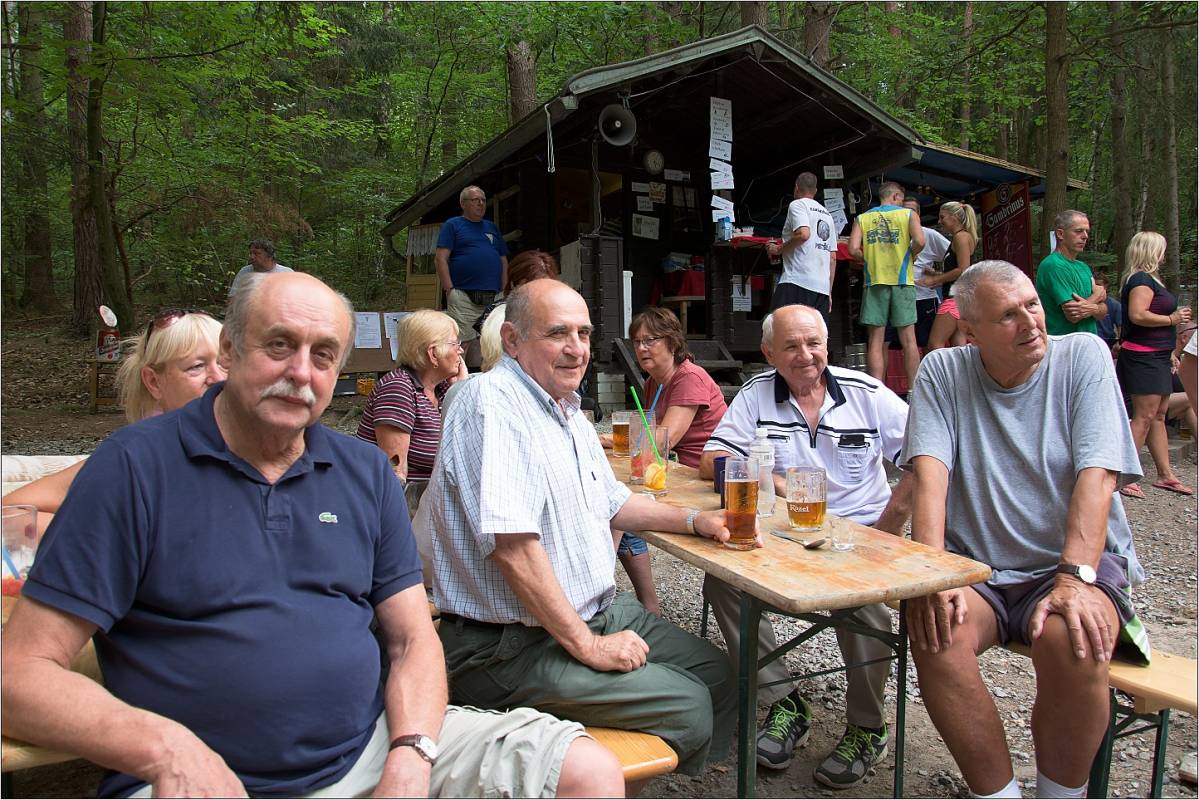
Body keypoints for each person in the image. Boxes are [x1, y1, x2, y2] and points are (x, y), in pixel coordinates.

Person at [1, 272, 622, 799]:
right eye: (279, 345)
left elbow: (413, 641)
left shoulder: (363, 473)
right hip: (198, 773)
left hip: (371, 745)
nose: (300, 372)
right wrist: (164, 749)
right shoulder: (133, 468)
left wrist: (412, 753)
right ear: (230, 349)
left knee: (589, 774)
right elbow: (17, 675)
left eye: (323, 355)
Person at [425, 278, 738, 781]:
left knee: (719, 677)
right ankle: (590, 777)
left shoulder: (567, 411)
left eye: (584, 333)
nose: (577, 349)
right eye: (558, 333)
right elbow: (513, 549)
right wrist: (589, 648)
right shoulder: (489, 401)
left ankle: (628, 771)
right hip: (506, 646)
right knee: (689, 704)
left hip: (597, 612)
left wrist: (694, 520)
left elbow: (614, 503)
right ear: (512, 340)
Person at [900, 260, 1147, 800]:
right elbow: (929, 477)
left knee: (1072, 637)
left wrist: (1073, 579)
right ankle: (998, 795)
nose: (1031, 321)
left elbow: (1099, 475)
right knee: (937, 632)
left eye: (1032, 305)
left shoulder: (1083, 355)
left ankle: (1061, 795)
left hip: (1069, 562)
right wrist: (934, 576)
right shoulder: (943, 371)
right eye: (1008, 316)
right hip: (979, 568)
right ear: (971, 333)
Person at [698, 303, 914, 789]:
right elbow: (713, 458)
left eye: (814, 343)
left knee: (865, 608)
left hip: (857, 536)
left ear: (827, 346)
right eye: (791, 346)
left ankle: (867, 727)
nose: (805, 355)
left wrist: (888, 528)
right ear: (769, 352)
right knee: (724, 582)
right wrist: (775, 481)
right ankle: (784, 701)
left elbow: (926, 458)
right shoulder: (756, 393)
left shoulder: (866, 393)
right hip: (782, 535)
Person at [2, 310, 225, 536]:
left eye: (226, 363)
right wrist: (108, 541)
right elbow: (10, 512)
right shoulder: (135, 457)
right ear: (154, 382)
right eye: (196, 366)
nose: (218, 377)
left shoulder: (244, 447)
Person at [600, 306, 729, 616]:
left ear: (672, 342)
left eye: (651, 340)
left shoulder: (689, 378)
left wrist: (608, 439)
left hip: (704, 480)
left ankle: (599, 592)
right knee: (618, 505)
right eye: (637, 341)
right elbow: (647, 439)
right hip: (674, 473)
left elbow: (660, 440)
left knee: (617, 507)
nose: (642, 348)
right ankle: (642, 604)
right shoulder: (653, 383)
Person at [1115, 232, 1193, 498]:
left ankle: (1165, 474)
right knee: (1144, 416)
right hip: (1142, 356)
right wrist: (1172, 319)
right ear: (1150, 251)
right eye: (1160, 250)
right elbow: (1138, 315)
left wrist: (1170, 350)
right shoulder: (1140, 279)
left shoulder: (1151, 279)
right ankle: (1125, 475)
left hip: (1158, 355)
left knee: (1159, 414)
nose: (1163, 255)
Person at [356, 310, 467, 485]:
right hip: (408, 499)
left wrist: (461, 390)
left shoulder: (443, 389)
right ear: (433, 353)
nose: (461, 350)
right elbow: (395, 474)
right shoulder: (398, 389)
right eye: (455, 344)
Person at [847, 181, 925, 390]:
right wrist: (910, 255)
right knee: (909, 340)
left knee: (876, 340)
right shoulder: (908, 215)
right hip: (902, 281)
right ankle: (914, 392)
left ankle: (877, 393)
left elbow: (852, 249)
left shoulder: (862, 218)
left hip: (874, 282)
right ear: (896, 196)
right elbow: (920, 241)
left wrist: (869, 260)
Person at [435, 185, 509, 365]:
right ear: (463, 203)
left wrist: (504, 287)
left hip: (494, 296)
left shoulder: (491, 227)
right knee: (462, 343)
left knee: (490, 342)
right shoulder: (453, 225)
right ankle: (456, 378)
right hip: (462, 295)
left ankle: (482, 377)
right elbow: (440, 259)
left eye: (483, 200)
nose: (481, 203)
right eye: (476, 200)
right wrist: (449, 289)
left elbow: (503, 260)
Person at [766, 172, 837, 323]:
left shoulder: (797, 205)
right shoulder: (827, 215)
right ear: (815, 191)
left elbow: (803, 234)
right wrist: (829, 292)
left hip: (797, 281)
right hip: (822, 289)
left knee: (777, 328)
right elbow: (832, 258)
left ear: (796, 187)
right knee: (815, 334)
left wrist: (778, 249)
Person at [1034, 210, 1106, 336]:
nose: (1085, 236)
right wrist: (1097, 296)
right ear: (1060, 234)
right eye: (1079, 231)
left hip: (1088, 341)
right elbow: (1074, 315)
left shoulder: (1083, 267)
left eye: (1087, 231)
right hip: (1065, 343)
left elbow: (1103, 311)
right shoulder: (1053, 265)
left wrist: (1094, 308)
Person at [923, 201, 979, 351]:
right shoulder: (962, 237)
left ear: (954, 217)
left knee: (934, 345)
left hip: (955, 298)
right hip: (961, 298)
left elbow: (962, 270)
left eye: (942, 217)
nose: (939, 221)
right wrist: (936, 275)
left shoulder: (961, 237)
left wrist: (936, 279)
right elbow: (957, 270)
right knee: (958, 347)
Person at [901, 196, 950, 348]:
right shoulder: (893, 235)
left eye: (912, 211)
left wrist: (939, 276)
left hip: (924, 297)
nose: (908, 214)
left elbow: (955, 257)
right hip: (900, 297)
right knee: (906, 344)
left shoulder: (928, 234)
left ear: (918, 214)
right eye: (904, 211)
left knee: (930, 343)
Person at [474, 249, 560, 335]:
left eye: (546, 286)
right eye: (530, 286)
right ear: (513, 285)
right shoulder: (496, 313)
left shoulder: (560, 309)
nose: (538, 292)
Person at [1094, 272, 1122, 353]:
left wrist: (1119, 343)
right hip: (1091, 339)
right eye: (1093, 285)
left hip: (1108, 341)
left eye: (1098, 285)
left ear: (1105, 286)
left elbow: (1121, 326)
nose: (1095, 288)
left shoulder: (1114, 305)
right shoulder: (1086, 303)